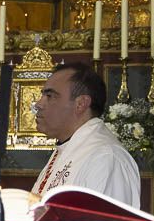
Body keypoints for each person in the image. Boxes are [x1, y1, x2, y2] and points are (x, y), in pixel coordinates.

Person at [30, 63, 140, 206]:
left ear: (81, 104)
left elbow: (103, 219)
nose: (38, 104)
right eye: (43, 95)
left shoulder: (105, 157)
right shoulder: (69, 147)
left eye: (50, 96)